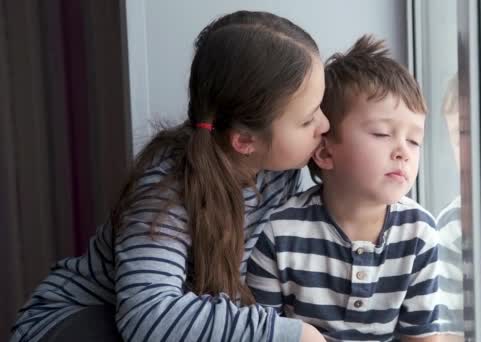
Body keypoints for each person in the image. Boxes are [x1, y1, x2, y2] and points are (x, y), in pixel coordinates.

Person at [11, 10, 330, 342]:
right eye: (308, 120)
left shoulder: (276, 171)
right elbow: (149, 317)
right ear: (245, 141)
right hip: (74, 323)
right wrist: (289, 334)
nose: (325, 125)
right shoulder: (165, 191)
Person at [246, 35, 462, 342]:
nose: (403, 151)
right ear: (325, 152)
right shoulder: (280, 232)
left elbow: (421, 337)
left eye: (414, 140)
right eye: (382, 133)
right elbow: (265, 332)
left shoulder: (420, 233)